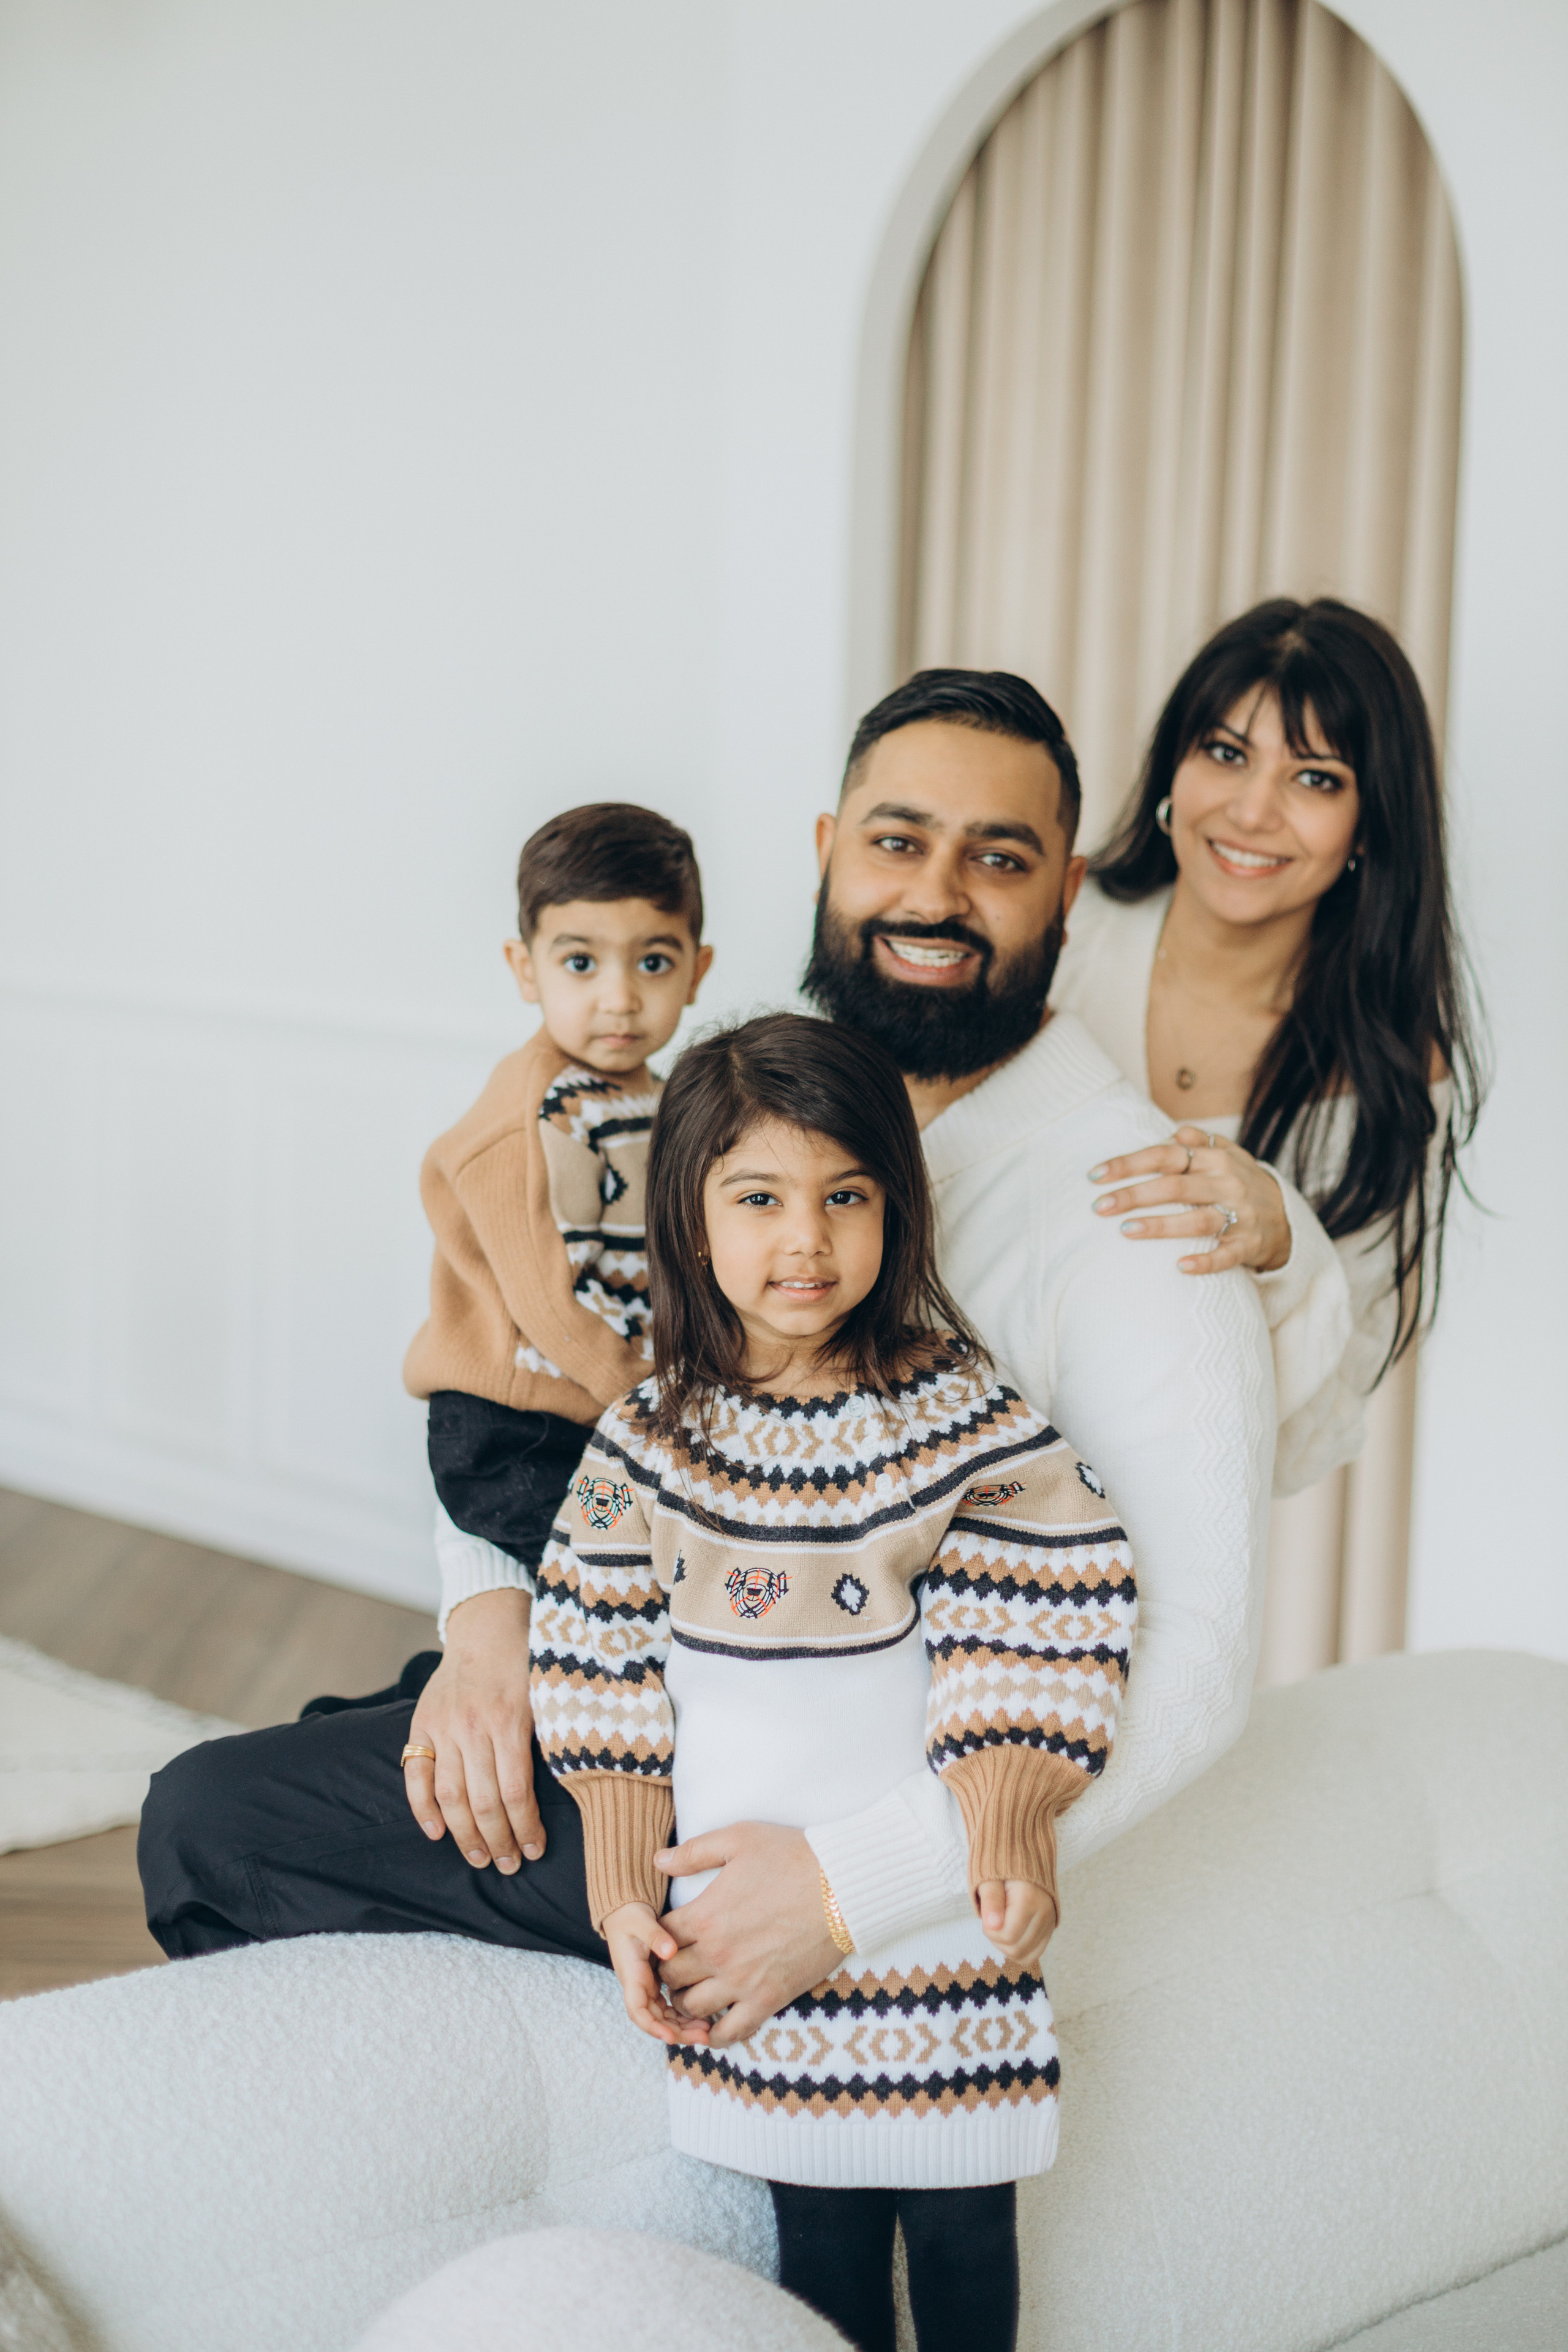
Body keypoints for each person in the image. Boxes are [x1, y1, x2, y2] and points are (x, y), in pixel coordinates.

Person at [140, 673, 1270, 2068]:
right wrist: (497, 1617)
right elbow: (540, 1367)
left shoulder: (1142, 1213)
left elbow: (1197, 1663)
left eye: (997, 857)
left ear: (1068, 891)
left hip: (804, 1790)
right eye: (895, 840)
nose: (932, 893)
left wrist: (846, 1890)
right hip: (647, 1664)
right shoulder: (755, 1096)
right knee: (372, 1725)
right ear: (825, 849)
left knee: (213, 1822)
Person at [536, 1011, 1136, 2352]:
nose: (803, 1241)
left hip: (925, 1931)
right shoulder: (649, 1443)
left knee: (973, 2237)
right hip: (754, 1954)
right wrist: (624, 1883)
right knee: (818, 2250)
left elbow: (1045, 1606)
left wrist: (1007, 1815)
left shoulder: (953, 1417)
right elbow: (592, 1660)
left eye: (843, 1198)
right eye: (758, 1199)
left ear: (893, 1210)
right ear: (692, 1223)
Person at [1049, 598, 1485, 1491]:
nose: (1252, 811)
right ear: (1175, 763)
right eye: (1226, 752)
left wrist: (1286, 1244)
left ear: (1371, 824)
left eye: (1316, 778)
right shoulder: (1054, 935)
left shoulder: (1390, 1070)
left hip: (1183, 1520)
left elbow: (1326, 1414)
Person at [399, 801, 712, 1873]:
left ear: (699, 967)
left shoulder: (660, 1101)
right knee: (606, 1603)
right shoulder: (525, 1117)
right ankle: (582, 1808)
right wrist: (648, 1401)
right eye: (580, 960)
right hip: (513, 1419)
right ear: (524, 966)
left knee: (632, 1590)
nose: (618, 997)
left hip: (597, 1405)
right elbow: (550, 1307)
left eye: (653, 961)